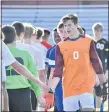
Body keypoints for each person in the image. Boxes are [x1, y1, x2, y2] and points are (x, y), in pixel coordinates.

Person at [48, 14, 107, 111]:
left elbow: (96, 63)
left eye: (69, 25)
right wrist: (51, 90)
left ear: (76, 25)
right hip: (69, 88)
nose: (67, 28)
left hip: (86, 87)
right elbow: (57, 71)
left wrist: (103, 84)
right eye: (65, 25)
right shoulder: (60, 46)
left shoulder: (88, 41)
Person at [2, 25, 47, 111]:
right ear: (15, 38)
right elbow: (33, 75)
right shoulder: (25, 54)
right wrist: (38, 95)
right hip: (22, 94)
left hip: (3, 92)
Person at [92, 22, 108, 111]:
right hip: (91, 71)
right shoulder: (91, 42)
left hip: (101, 72)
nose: (96, 32)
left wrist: (107, 72)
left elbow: (108, 58)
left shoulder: (105, 43)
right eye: (95, 30)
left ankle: (100, 110)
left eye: (98, 30)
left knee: (100, 93)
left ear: (101, 31)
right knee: (91, 92)